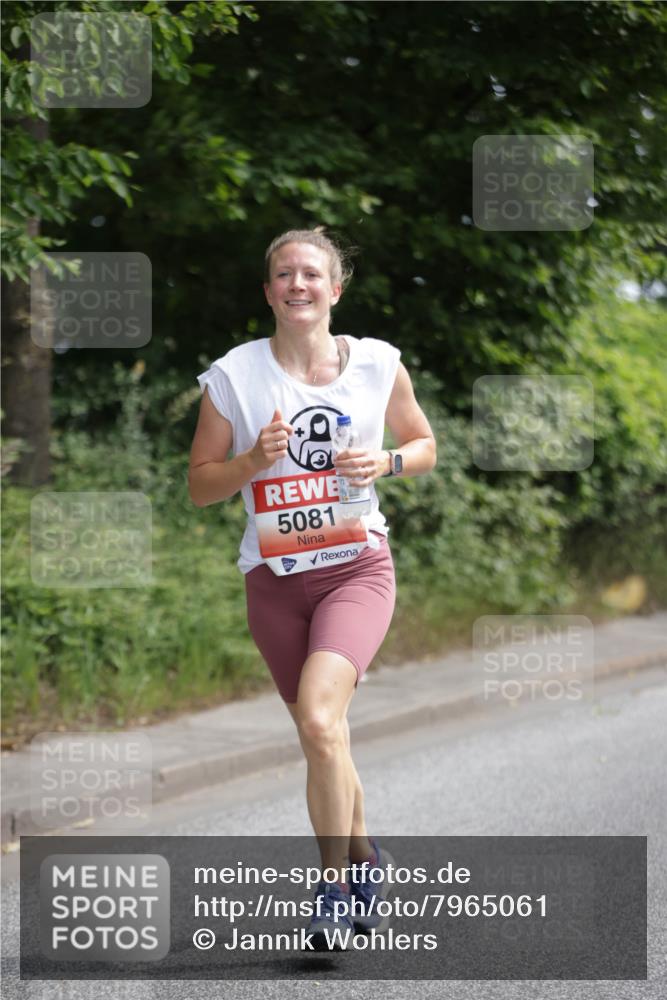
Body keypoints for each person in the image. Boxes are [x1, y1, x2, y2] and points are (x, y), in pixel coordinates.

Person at [188, 228, 436, 949]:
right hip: (273, 581)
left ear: (335, 288)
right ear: (268, 292)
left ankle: (331, 889)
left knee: (323, 724)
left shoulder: (377, 365)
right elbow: (200, 485)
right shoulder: (233, 376)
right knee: (322, 735)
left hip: (355, 568)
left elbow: (423, 445)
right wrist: (249, 462)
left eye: (311, 274)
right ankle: (364, 859)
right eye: (283, 275)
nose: (298, 285)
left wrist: (385, 462)